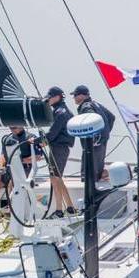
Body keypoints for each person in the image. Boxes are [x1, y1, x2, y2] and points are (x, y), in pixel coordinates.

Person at [0, 126, 43, 222]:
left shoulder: (31, 137)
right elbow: (3, 155)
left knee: (13, 183)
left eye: (14, 124)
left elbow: (37, 157)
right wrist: (0, 169)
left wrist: (18, 161)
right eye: (10, 124)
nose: (12, 126)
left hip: (24, 170)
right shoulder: (7, 139)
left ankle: (13, 216)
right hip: (9, 170)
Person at [70, 85, 116, 181]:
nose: (73, 98)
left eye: (75, 95)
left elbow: (92, 117)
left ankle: (89, 193)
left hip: (93, 144)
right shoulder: (96, 104)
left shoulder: (86, 106)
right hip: (101, 142)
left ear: (82, 96)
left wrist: (95, 137)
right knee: (96, 172)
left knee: (88, 175)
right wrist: (104, 133)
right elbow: (111, 117)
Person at [44, 86, 76, 218]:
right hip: (61, 148)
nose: (48, 100)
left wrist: (39, 140)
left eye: (50, 97)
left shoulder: (60, 112)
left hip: (59, 147)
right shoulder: (62, 110)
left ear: (57, 97)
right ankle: (70, 207)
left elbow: (53, 133)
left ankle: (59, 211)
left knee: (55, 178)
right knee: (58, 178)